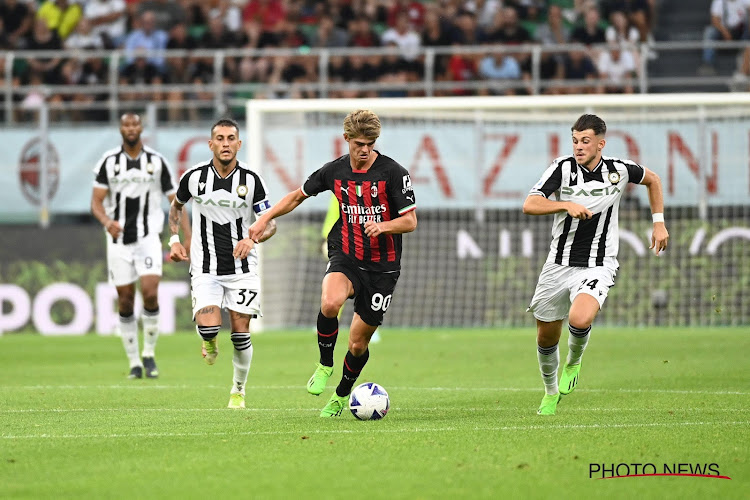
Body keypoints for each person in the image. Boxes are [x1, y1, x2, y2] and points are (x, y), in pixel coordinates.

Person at [249, 110, 417, 417]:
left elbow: (410, 221)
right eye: (359, 144)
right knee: (330, 302)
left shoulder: (394, 173)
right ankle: (324, 363)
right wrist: (266, 217)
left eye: (370, 143)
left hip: (383, 267)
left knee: (356, 345)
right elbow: (298, 196)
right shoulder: (335, 171)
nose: (364, 150)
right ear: (347, 140)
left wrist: (384, 226)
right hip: (346, 253)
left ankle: (341, 395)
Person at [523, 114, 669, 416]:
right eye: (575, 140)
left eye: (585, 141)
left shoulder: (619, 170)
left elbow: (653, 180)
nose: (578, 146)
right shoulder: (561, 169)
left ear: (600, 143)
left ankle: (574, 361)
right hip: (558, 264)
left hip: (598, 264)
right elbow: (530, 203)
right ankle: (550, 392)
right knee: (546, 336)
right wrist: (565, 204)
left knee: (579, 318)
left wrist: (659, 224)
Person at [168, 118, 277, 409]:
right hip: (205, 268)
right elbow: (176, 206)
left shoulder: (252, 181)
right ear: (210, 143)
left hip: (242, 270)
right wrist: (174, 240)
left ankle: (238, 390)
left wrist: (252, 239)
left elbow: (271, 225)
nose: (225, 143)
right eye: (220, 138)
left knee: (241, 332)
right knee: (209, 329)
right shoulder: (193, 177)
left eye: (231, 138)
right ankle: (209, 341)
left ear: (239, 144)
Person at [91, 112, 190, 379]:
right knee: (124, 299)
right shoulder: (109, 163)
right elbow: (96, 202)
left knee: (150, 292)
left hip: (148, 238)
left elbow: (177, 201)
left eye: (135, 123)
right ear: (121, 129)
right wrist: (106, 221)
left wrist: (186, 237)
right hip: (119, 240)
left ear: (141, 128)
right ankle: (134, 361)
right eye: (127, 124)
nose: (131, 128)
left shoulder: (157, 162)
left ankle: (149, 355)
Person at [320, 193, 382, 344]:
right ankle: (330, 322)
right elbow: (332, 217)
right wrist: (327, 238)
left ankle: (369, 328)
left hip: (366, 244)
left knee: (367, 284)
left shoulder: (373, 191)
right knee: (337, 286)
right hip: (340, 243)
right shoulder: (339, 189)